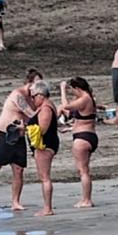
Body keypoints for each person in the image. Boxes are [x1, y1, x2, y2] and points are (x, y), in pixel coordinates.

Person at [0, 71, 40, 216]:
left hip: (19, 136)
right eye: (36, 84)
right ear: (29, 83)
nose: (37, 88)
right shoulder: (18, 95)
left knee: (19, 169)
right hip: (4, 134)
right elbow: (31, 113)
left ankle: (15, 202)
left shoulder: (34, 98)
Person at [59, 78, 99, 208]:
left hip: (83, 138)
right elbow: (85, 119)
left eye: (72, 90)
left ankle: (87, 200)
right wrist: (70, 128)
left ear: (77, 88)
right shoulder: (89, 99)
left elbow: (65, 106)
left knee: (83, 171)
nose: (72, 93)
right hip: (89, 135)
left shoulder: (85, 99)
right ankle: (86, 198)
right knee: (84, 170)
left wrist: (62, 90)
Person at [26, 81, 58, 216]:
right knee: (44, 176)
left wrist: (26, 129)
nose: (32, 100)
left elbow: (43, 129)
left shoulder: (45, 108)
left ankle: (47, 208)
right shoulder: (45, 106)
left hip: (44, 145)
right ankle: (47, 207)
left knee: (45, 177)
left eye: (33, 97)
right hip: (44, 144)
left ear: (40, 95)